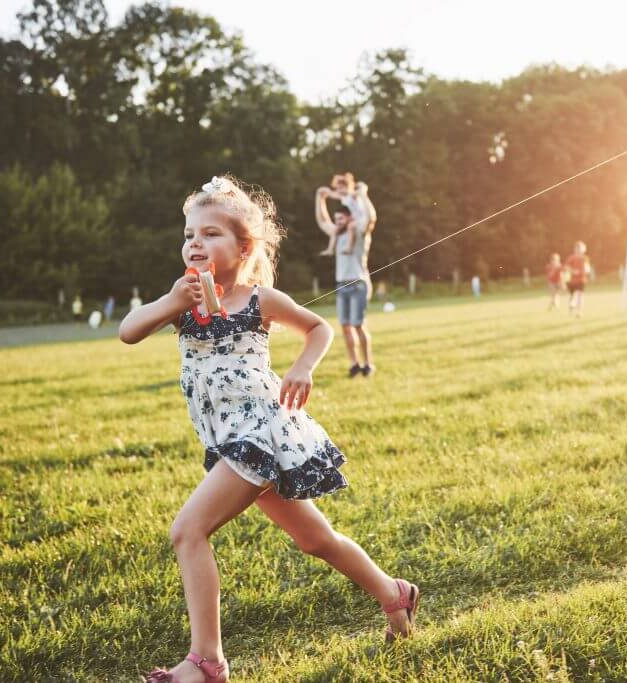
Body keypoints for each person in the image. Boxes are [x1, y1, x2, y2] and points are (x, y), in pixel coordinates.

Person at [120, 175, 418, 683]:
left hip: (259, 434)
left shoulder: (260, 300)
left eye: (211, 233)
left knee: (188, 531)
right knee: (316, 539)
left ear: (244, 247)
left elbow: (319, 328)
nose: (195, 242)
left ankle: (206, 662)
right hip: (228, 441)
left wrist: (302, 366)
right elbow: (128, 331)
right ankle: (395, 594)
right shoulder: (181, 301)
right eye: (190, 233)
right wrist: (173, 301)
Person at [315, 172, 377, 378]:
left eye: (342, 217)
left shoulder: (358, 232)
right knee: (345, 326)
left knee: (358, 325)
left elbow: (369, 217)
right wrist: (320, 198)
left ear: (350, 217)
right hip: (341, 284)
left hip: (359, 283)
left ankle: (368, 364)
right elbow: (322, 220)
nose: (337, 220)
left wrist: (364, 195)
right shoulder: (337, 233)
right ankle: (354, 364)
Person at [564, 241, 591, 318]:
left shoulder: (585, 258)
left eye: (580, 249)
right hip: (572, 280)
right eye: (577, 248)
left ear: (583, 250)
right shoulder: (571, 258)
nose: (579, 250)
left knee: (580, 295)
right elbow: (566, 267)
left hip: (582, 280)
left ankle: (579, 312)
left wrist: (587, 270)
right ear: (575, 249)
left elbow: (587, 268)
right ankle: (571, 307)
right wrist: (573, 271)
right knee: (572, 296)